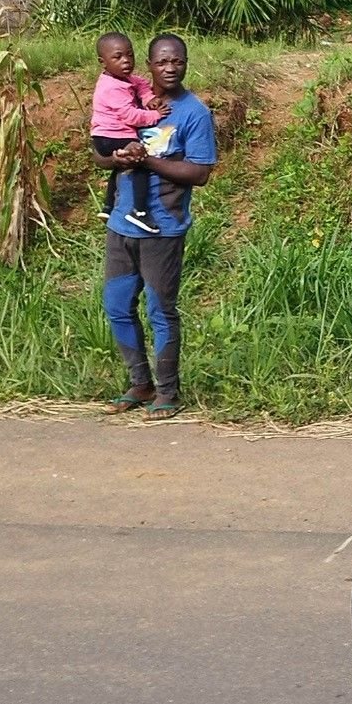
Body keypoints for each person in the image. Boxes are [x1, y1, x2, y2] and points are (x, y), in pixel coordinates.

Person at [96, 34, 218, 420]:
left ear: (185, 63)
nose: (169, 68)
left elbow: (199, 173)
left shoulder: (193, 113)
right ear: (149, 65)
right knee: (117, 307)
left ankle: (167, 391)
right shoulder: (127, 96)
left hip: (163, 228)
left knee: (160, 311)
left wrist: (147, 161)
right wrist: (117, 158)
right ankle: (139, 383)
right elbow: (99, 154)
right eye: (162, 62)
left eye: (176, 62)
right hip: (121, 224)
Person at [89, 32, 166, 234]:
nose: (126, 61)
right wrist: (155, 115)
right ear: (102, 62)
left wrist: (148, 97)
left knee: (120, 165)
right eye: (118, 57)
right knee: (139, 161)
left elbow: (140, 84)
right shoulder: (110, 88)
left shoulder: (124, 79)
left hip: (107, 134)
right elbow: (130, 116)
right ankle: (139, 211)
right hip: (109, 136)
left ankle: (107, 207)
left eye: (130, 55)